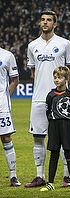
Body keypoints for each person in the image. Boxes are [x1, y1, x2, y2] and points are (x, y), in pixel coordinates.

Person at [26, 10, 70, 187]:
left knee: (63, 139)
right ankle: (40, 176)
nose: (45, 23)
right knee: (38, 137)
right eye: (42, 20)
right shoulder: (32, 45)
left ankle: (66, 176)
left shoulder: (64, 44)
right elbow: (33, 71)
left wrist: (64, 89)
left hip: (60, 99)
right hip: (39, 98)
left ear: (55, 24)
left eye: (49, 20)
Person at [40, 66, 70, 192]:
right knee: (54, 154)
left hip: (66, 126)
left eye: (59, 77)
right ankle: (50, 183)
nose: (56, 80)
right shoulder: (50, 95)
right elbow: (48, 111)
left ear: (66, 79)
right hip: (54, 126)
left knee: (69, 153)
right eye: (55, 77)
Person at [0, 47, 21, 186]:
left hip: (1, 105)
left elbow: (15, 80)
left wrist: (6, 98)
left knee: (6, 138)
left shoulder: (7, 55)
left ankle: (13, 176)